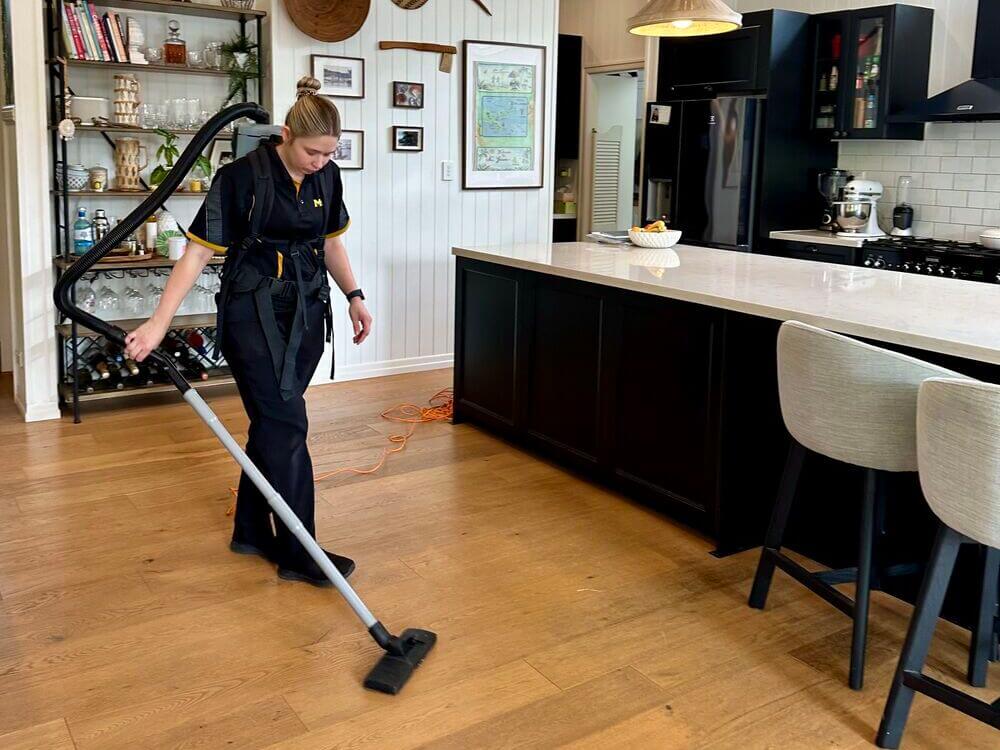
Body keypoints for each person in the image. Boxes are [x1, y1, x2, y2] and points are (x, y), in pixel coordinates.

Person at [125, 76, 373, 587]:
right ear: (286, 135)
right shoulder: (240, 177)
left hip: (306, 312)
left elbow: (331, 244)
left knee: (271, 423)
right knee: (286, 424)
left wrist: (354, 295)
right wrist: (158, 323)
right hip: (251, 314)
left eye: (329, 153)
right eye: (312, 152)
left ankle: (252, 529)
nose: (320, 162)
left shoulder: (328, 177)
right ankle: (301, 554)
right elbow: (197, 252)